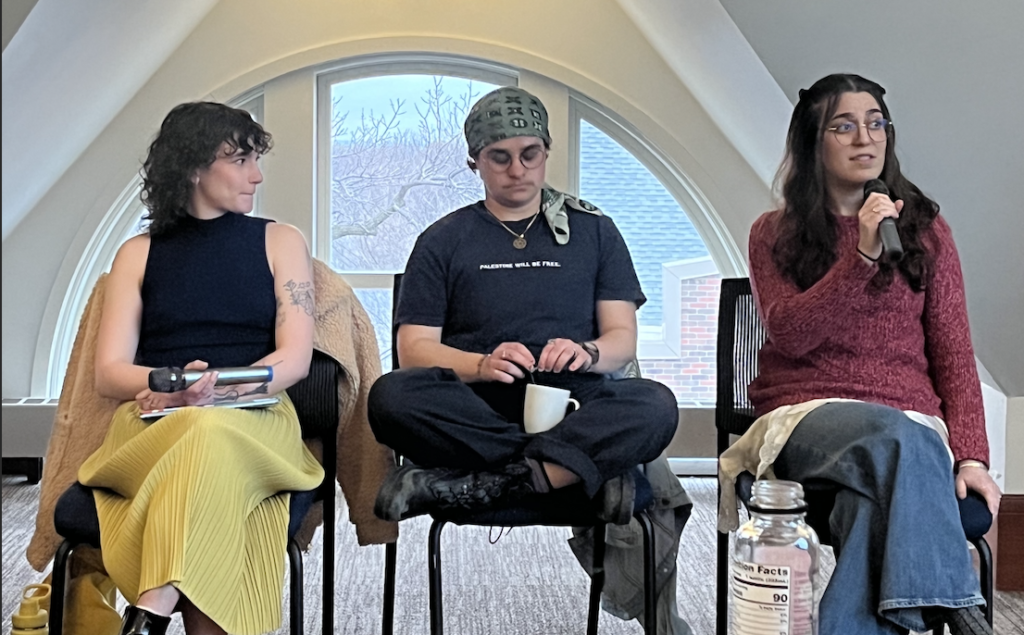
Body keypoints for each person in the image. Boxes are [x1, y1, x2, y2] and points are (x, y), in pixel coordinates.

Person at [724, 73, 1000, 635]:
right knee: (896, 436)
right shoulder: (773, 233)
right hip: (804, 418)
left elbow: (954, 352)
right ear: (812, 141)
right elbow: (791, 334)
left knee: (868, 507)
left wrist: (972, 457)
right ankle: (955, 600)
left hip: (908, 425)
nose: (864, 138)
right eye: (843, 126)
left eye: (875, 123)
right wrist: (862, 259)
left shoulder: (928, 232)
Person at [367, 86, 679, 525]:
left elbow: (622, 339)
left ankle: (492, 481)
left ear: (546, 152)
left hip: (573, 406)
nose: (517, 169)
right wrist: (480, 365)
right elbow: (414, 350)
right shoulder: (441, 240)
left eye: (529, 153)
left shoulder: (596, 232)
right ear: (475, 161)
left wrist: (586, 352)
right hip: (475, 409)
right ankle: (565, 472)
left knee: (655, 404)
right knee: (390, 397)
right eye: (500, 157)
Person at [78, 102, 324, 635]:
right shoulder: (137, 253)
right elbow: (109, 373)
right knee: (198, 434)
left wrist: (219, 392)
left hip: (256, 418)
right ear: (192, 167)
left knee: (208, 429)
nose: (256, 174)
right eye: (239, 160)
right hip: (156, 419)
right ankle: (158, 607)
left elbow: (294, 359)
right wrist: (172, 391)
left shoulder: (280, 240)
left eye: (255, 159)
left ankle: (152, 606)